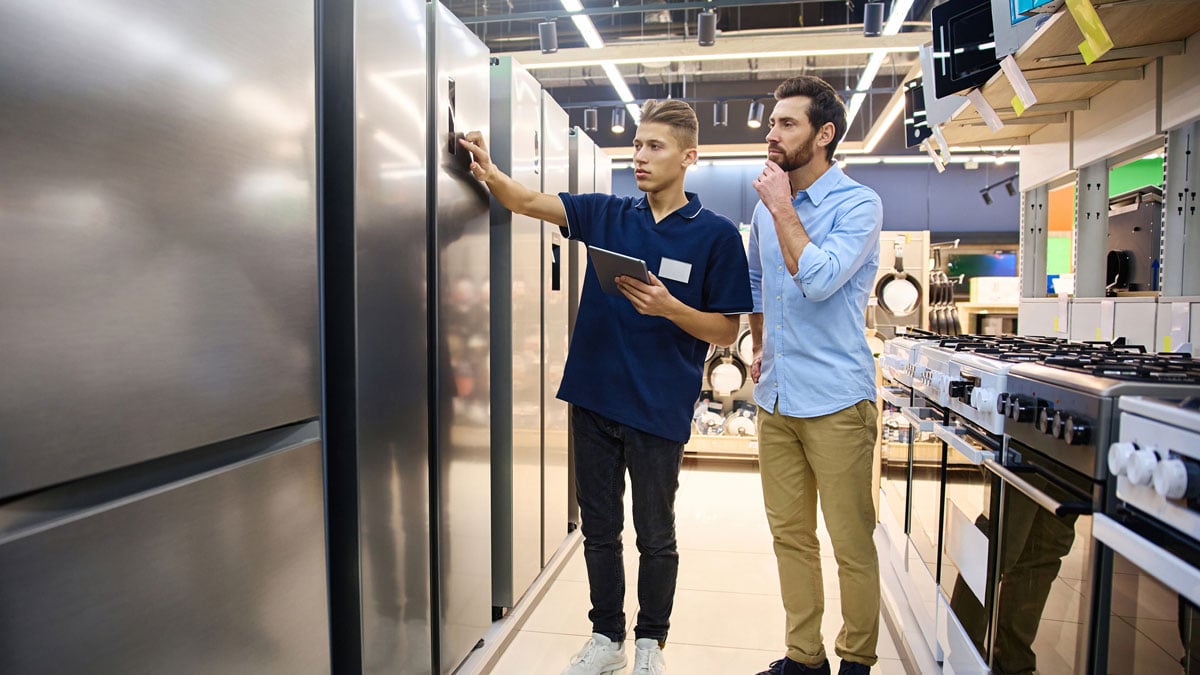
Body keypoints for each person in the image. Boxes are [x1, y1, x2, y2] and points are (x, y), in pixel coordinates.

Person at [460, 99, 752, 675]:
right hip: (593, 397)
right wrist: (486, 169)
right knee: (598, 528)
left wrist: (671, 308)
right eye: (637, 145)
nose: (639, 156)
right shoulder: (608, 214)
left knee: (655, 533)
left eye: (654, 147)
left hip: (657, 407)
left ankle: (650, 642)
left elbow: (726, 328)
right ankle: (607, 636)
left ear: (688, 157)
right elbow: (525, 201)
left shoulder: (715, 237)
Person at [746, 75, 884, 675]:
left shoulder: (859, 204)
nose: (771, 134)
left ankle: (857, 659)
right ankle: (804, 658)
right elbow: (756, 283)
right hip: (776, 397)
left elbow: (822, 279)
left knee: (851, 545)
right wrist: (757, 345)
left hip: (835, 400)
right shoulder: (761, 206)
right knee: (790, 539)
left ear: (824, 134)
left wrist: (782, 206)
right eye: (772, 122)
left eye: (787, 124)